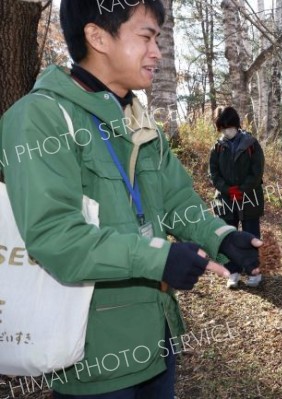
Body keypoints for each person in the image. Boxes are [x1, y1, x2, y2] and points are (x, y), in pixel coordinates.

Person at [0, 1, 262, 397]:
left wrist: (222, 236)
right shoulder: (41, 118)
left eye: (157, 38)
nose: (156, 51)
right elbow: (56, 237)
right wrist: (159, 258)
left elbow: (176, 200)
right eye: (145, 36)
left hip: (158, 339)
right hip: (93, 358)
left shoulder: (138, 118)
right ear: (97, 37)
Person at [209, 106, 265, 289]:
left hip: (250, 197)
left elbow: (257, 171)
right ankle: (232, 271)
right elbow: (214, 173)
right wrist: (227, 189)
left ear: (236, 124)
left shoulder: (251, 144)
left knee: (251, 234)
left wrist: (242, 189)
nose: (227, 130)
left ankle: (254, 271)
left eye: (230, 126)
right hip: (225, 199)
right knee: (227, 235)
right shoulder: (217, 147)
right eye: (223, 127)